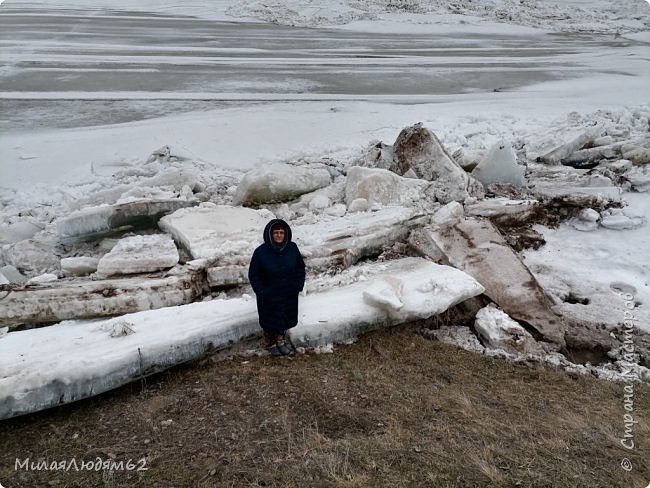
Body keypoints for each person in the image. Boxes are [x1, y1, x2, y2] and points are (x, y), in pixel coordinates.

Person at [248, 219, 306, 356]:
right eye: (276, 232)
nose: (279, 235)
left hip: (288, 292)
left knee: (284, 317)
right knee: (270, 319)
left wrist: (298, 285)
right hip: (269, 294)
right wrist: (262, 292)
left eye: (281, 232)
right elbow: (254, 275)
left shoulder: (292, 248)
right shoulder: (260, 252)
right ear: (270, 234)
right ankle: (270, 343)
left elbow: (300, 268)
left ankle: (280, 341)